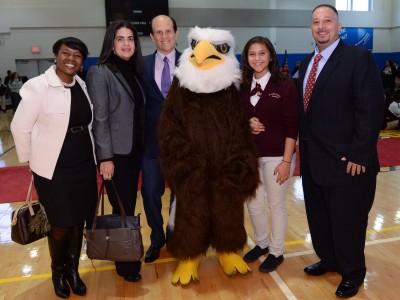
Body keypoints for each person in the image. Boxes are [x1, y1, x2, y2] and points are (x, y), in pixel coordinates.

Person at [297, 4, 384, 298]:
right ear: (311, 28)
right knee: (320, 216)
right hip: (314, 159)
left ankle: (352, 272)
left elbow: (370, 110)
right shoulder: (308, 62)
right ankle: (330, 259)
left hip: (348, 161)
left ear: (339, 25)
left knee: (347, 220)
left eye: (327, 21)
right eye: (316, 22)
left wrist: (361, 153)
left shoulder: (358, 58)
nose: (321, 26)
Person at [11, 37, 96, 299]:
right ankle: (57, 272)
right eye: (65, 53)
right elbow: (19, 127)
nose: (71, 59)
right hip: (52, 168)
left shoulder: (82, 84)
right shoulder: (38, 87)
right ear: (56, 56)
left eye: (77, 55)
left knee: (79, 220)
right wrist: (32, 162)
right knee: (60, 223)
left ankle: (73, 270)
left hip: (82, 163)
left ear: (82, 61)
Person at [86, 20, 145, 282]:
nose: (126, 43)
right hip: (117, 155)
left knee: (127, 206)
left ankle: (125, 254)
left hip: (133, 153)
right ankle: (126, 264)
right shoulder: (100, 72)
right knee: (124, 207)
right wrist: (105, 158)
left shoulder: (133, 71)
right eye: (120, 38)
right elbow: (100, 119)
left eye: (130, 38)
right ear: (111, 42)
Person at [240, 36, 298, 273]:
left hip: (278, 156)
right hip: (250, 156)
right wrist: (247, 123)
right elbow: (234, 117)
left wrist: (286, 161)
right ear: (246, 58)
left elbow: (292, 125)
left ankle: (276, 251)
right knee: (253, 205)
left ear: (271, 56)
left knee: (275, 205)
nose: (257, 58)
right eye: (252, 54)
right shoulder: (242, 85)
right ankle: (261, 243)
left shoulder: (285, 85)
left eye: (262, 53)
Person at [140, 14, 181, 263]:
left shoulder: (191, 63)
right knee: (150, 194)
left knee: (181, 196)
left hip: (184, 146)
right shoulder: (140, 65)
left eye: (168, 31)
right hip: (151, 146)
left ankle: (175, 236)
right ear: (151, 36)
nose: (164, 36)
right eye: (159, 32)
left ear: (176, 33)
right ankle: (157, 239)